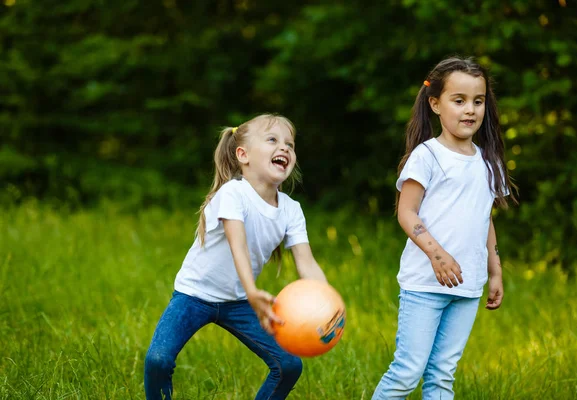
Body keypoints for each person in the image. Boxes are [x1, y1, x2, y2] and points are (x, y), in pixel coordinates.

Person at [144, 114, 328, 400]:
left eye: (290, 144)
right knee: (158, 360)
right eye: (272, 140)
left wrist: (327, 302)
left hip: (240, 302)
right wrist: (253, 292)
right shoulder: (233, 193)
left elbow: (306, 262)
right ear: (243, 155)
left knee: (289, 365)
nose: (285, 148)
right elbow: (237, 244)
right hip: (194, 295)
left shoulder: (291, 209)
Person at [372, 57, 517, 400]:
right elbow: (406, 212)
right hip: (424, 284)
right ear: (435, 104)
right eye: (459, 100)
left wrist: (494, 271)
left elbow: (485, 219)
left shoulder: (488, 161)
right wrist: (436, 255)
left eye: (478, 101)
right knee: (408, 372)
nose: (470, 110)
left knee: (442, 376)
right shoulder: (427, 156)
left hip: (467, 287)